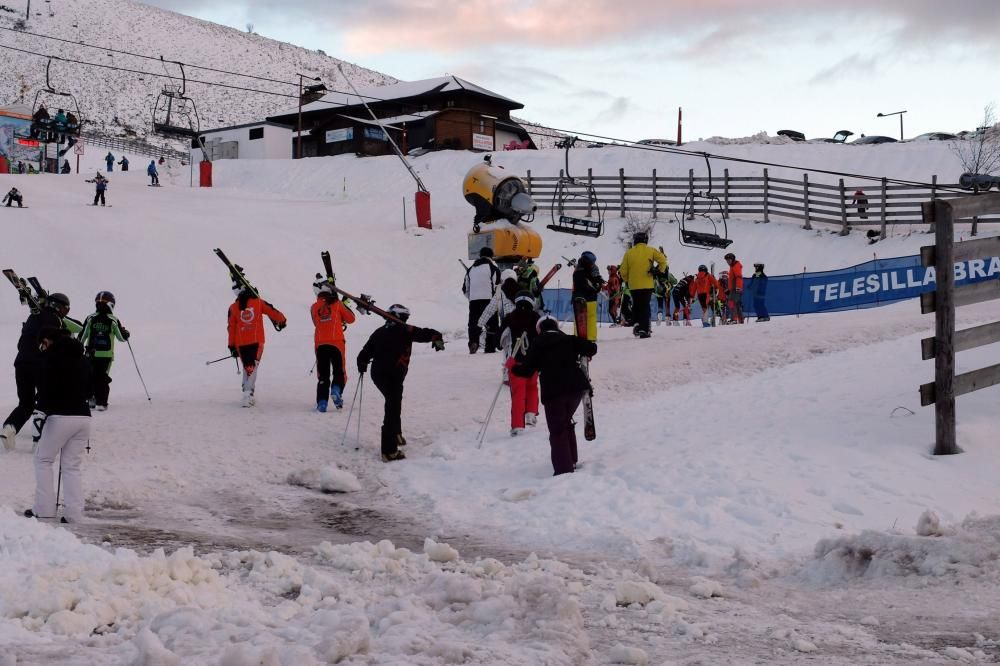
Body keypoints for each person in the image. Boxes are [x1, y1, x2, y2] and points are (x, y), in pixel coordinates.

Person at [356, 304, 444, 462]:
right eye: (405, 317)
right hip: (392, 376)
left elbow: (363, 354)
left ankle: (396, 434)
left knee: (394, 403)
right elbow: (427, 333)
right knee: (392, 407)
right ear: (400, 317)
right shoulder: (406, 330)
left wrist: (362, 364)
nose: (406, 320)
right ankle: (389, 451)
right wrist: (437, 338)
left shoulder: (379, 332)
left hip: (378, 375)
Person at [512, 316, 596, 476]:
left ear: (539, 329)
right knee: (565, 422)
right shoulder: (568, 339)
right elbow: (592, 348)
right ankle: (572, 459)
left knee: (557, 430)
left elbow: (528, 371)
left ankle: (564, 470)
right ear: (556, 327)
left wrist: (513, 368)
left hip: (553, 393)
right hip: (576, 389)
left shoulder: (537, 343)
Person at [23, 326, 91, 523]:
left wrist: (40, 410)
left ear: (48, 339)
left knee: (43, 460)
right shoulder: (82, 357)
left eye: (42, 343)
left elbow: (46, 387)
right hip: (84, 418)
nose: (42, 347)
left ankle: (44, 510)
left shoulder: (51, 357)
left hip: (60, 417)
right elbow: (90, 387)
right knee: (71, 466)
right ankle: (74, 514)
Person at [1, 293, 81, 452]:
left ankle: (9, 428)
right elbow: (72, 332)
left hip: (21, 363)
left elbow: (20, 344)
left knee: (25, 404)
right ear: (59, 307)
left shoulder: (32, 317)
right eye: (66, 308)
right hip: (40, 365)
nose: (67, 311)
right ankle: (40, 442)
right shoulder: (56, 320)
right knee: (48, 402)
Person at [227, 284, 287, 407]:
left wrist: (231, 346)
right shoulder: (258, 302)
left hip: (241, 342)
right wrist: (282, 320)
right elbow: (272, 310)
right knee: (252, 367)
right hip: (256, 340)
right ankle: (248, 394)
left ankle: (247, 391)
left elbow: (231, 328)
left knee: (248, 367)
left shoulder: (233, 307)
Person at [77, 291, 130, 411]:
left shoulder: (90, 318)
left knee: (89, 376)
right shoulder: (113, 319)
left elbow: (82, 336)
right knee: (102, 377)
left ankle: (90, 399)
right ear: (111, 304)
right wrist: (126, 334)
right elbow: (121, 338)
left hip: (90, 353)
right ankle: (101, 403)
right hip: (106, 355)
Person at [310, 279, 356, 412]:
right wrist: (343, 305)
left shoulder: (313, 307)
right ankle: (336, 390)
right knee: (339, 371)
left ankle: (322, 402)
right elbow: (351, 319)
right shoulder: (337, 303)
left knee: (323, 375)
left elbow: (316, 322)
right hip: (336, 343)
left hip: (320, 344)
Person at [500, 292, 540, 436]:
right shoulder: (536, 318)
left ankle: (517, 425)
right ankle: (531, 413)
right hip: (533, 360)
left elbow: (501, 340)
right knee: (532, 387)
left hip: (515, 361)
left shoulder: (509, 318)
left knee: (518, 393)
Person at [618, 231, 667, 338]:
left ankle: (637, 323)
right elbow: (663, 260)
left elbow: (623, 271)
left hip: (633, 285)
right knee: (645, 305)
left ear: (635, 240)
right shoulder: (651, 250)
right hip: (647, 284)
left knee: (636, 305)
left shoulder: (629, 253)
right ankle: (644, 329)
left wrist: (627, 280)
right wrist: (658, 271)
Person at [462, 247, 499, 353]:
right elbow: (497, 285)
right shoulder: (493, 268)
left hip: (474, 301)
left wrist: (472, 298)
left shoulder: (471, 269)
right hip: (488, 299)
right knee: (491, 322)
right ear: (491, 256)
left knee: (474, 323)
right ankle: (490, 346)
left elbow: (465, 288)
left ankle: (473, 342)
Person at [477, 268, 519, 351]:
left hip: (507, 327)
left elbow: (489, 310)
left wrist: (479, 325)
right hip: (522, 326)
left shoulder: (499, 292)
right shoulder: (522, 290)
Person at [572, 251, 604, 341]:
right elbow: (596, 281)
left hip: (577, 297)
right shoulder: (593, 267)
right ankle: (591, 338)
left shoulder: (577, 268)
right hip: (591, 298)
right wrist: (598, 284)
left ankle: (577, 337)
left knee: (578, 319)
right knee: (591, 318)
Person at [723, 252, 744, 324]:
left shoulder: (735, 266)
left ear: (732, 259)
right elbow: (732, 279)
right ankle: (740, 320)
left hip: (735, 288)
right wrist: (729, 290)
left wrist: (738, 287)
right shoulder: (732, 266)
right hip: (733, 288)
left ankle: (734, 319)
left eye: (729, 260)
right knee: (736, 304)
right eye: (727, 260)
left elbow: (738, 277)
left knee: (732, 302)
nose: (728, 262)